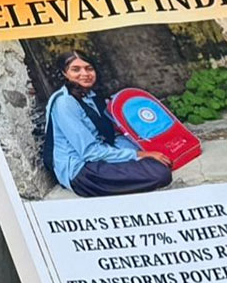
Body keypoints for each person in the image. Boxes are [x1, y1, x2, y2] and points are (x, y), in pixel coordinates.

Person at [43, 51, 172, 197]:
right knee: (160, 173)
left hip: (100, 154)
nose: (84, 74)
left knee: (162, 155)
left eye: (89, 68)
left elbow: (111, 134)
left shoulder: (91, 96)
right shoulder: (64, 103)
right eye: (76, 69)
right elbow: (89, 152)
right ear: (64, 73)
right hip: (82, 170)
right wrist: (139, 154)